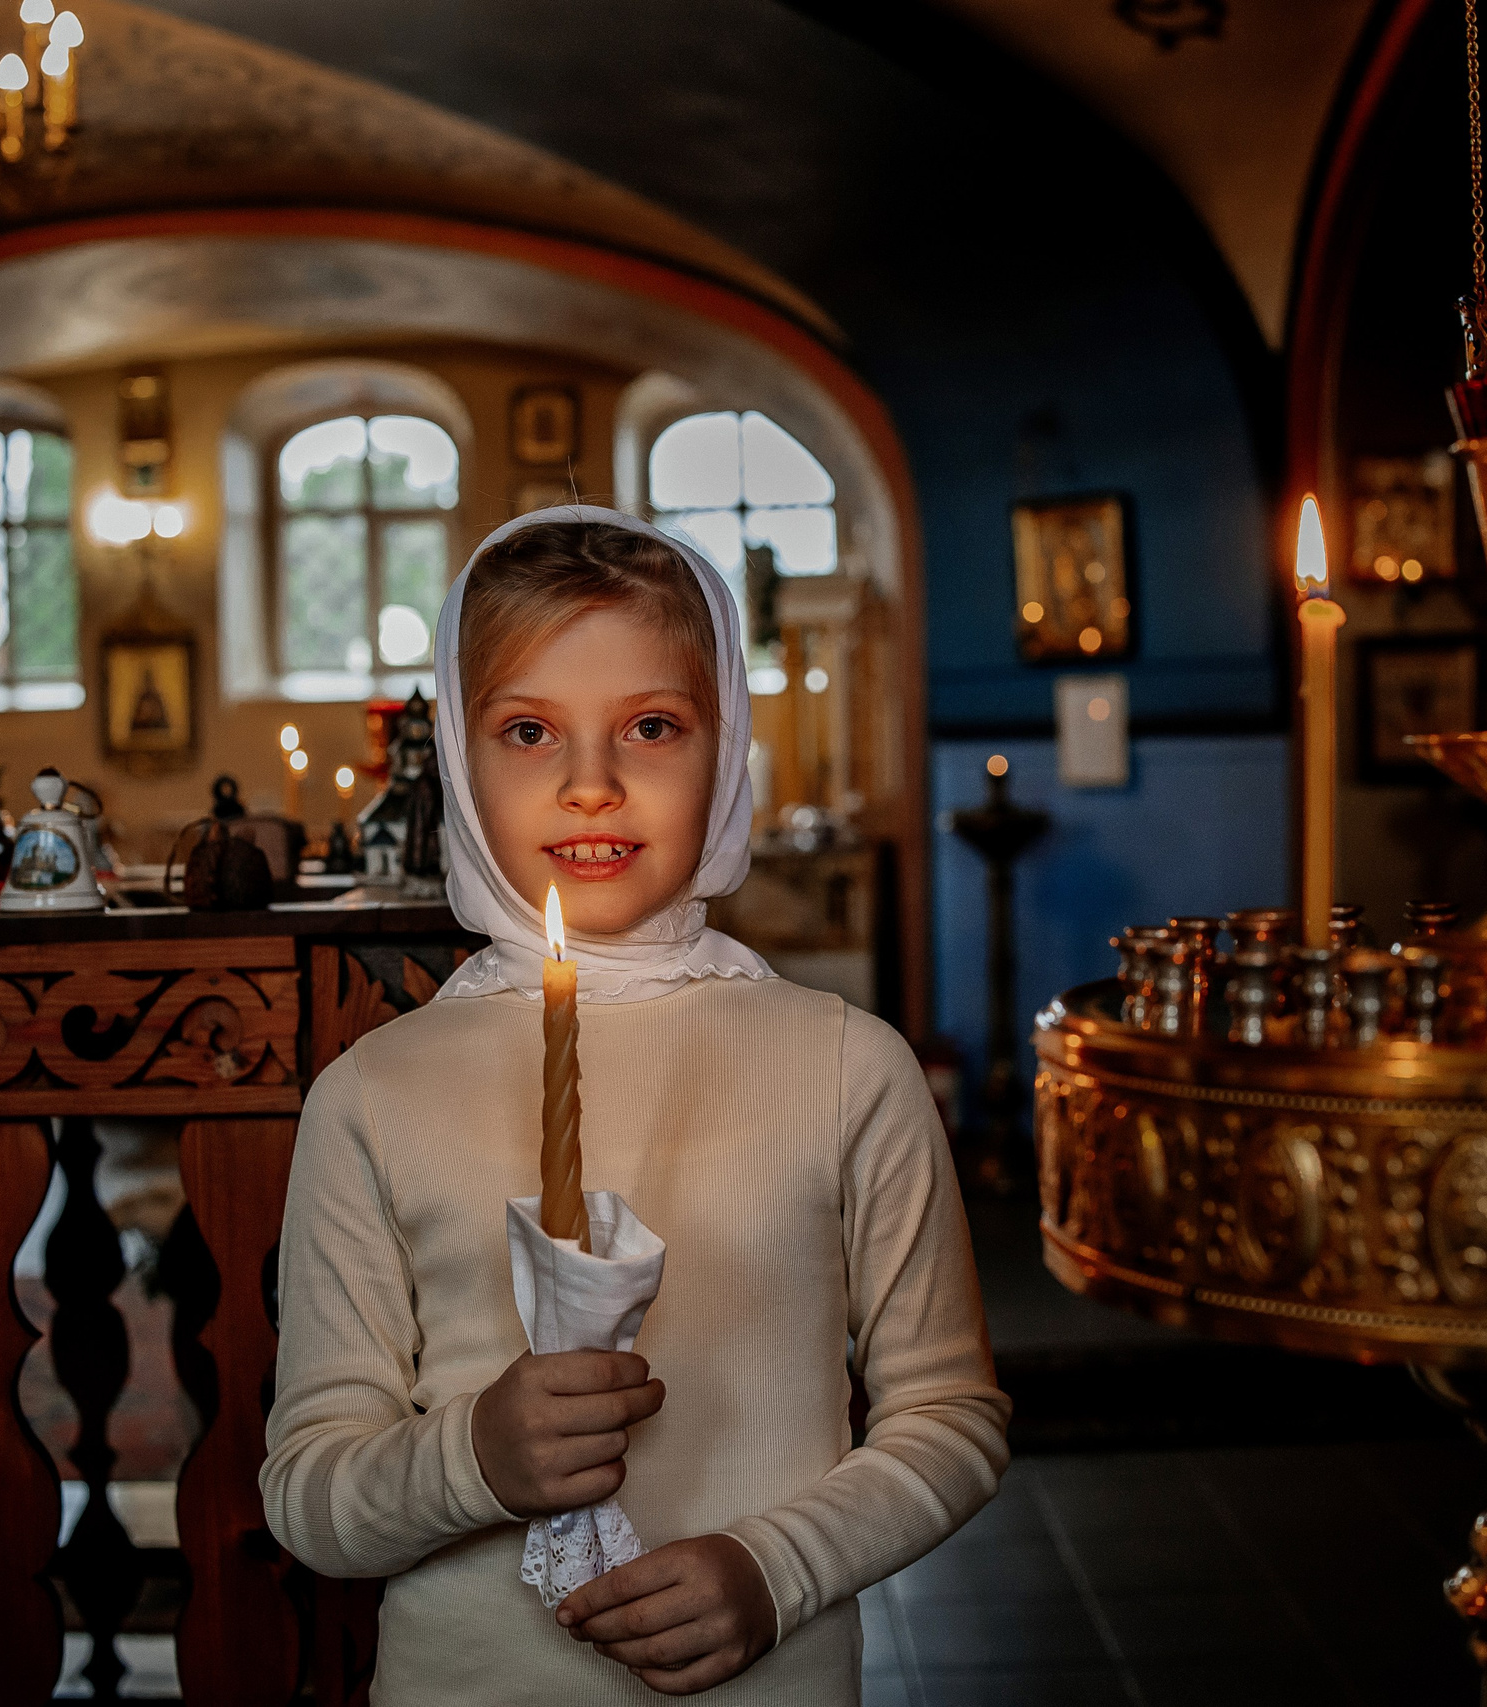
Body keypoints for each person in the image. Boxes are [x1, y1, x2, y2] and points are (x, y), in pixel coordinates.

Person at [262, 507, 1007, 1702]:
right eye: (527, 730)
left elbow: (952, 1418)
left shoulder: (844, 1068)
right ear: (458, 752)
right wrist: (476, 1458)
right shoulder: (373, 1096)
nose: (592, 785)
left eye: (651, 726)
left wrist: (778, 1568)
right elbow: (309, 1497)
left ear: (727, 749)